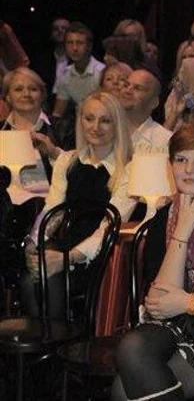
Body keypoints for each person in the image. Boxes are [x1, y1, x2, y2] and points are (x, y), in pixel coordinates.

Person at [112, 120, 194, 401]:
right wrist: (183, 227)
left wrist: (189, 302)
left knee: (123, 390)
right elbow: (160, 302)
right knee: (133, 348)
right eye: (181, 159)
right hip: (182, 328)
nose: (188, 169)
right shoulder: (166, 217)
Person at [20, 91, 134, 319]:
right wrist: (34, 242)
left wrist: (67, 258)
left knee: (50, 281)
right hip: (65, 243)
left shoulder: (129, 168)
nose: (96, 127)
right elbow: (52, 210)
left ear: (117, 125)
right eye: (89, 118)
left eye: (105, 120)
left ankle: (56, 338)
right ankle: (42, 340)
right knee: (30, 279)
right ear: (80, 120)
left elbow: (109, 227)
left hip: (101, 255)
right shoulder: (67, 160)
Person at [2, 67, 60, 203]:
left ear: (42, 95)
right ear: (8, 97)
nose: (26, 94)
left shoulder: (62, 127)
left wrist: (54, 153)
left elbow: (77, 170)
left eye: (33, 89)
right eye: (18, 89)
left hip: (52, 207)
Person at [120, 68, 172, 155]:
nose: (128, 90)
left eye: (137, 88)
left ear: (153, 102)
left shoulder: (165, 140)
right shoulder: (102, 128)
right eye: (126, 85)